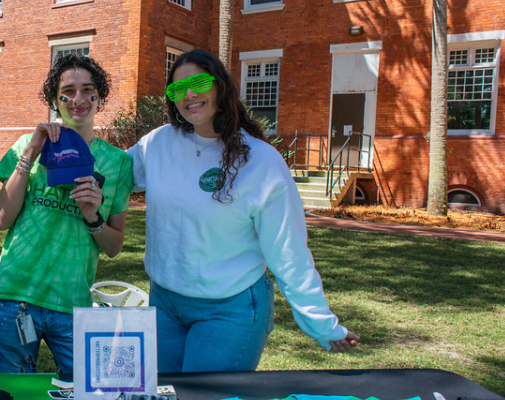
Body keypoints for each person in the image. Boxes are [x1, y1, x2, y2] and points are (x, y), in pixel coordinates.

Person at [127, 49, 360, 373]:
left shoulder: (261, 162)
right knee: (163, 395)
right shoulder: (157, 144)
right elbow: (109, 173)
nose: (189, 94)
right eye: (177, 88)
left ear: (220, 85)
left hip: (228, 310)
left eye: (198, 82)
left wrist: (321, 323)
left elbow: (288, 253)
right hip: (163, 305)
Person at [0, 53, 133, 379]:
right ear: (55, 99)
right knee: (18, 391)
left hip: (73, 304)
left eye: (88, 90)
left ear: (100, 98)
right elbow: (0, 219)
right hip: (16, 298)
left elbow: (113, 247)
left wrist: (93, 217)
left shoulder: (118, 163)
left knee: (83, 388)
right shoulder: (29, 144)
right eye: (67, 91)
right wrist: (30, 155)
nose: (77, 99)